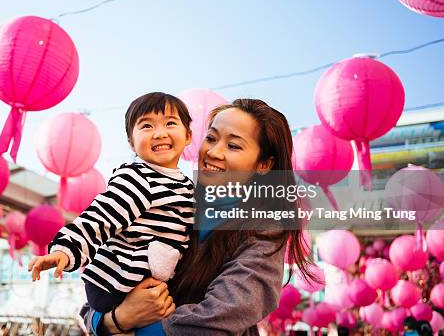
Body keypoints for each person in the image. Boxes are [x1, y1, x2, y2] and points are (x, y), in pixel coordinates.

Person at [82, 98, 315, 335]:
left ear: (264, 164)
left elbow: (227, 311)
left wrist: (137, 332)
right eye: (211, 138)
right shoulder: (169, 203)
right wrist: (116, 319)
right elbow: (96, 296)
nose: (213, 152)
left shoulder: (264, 228)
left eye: (233, 146)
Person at [28, 92, 195, 314]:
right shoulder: (138, 177)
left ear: (188, 135)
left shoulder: (187, 187)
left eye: (170, 123)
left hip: (150, 287)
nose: (159, 133)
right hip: (115, 284)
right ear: (131, 142)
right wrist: (65, 250)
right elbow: (101, 217)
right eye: (146, 126)